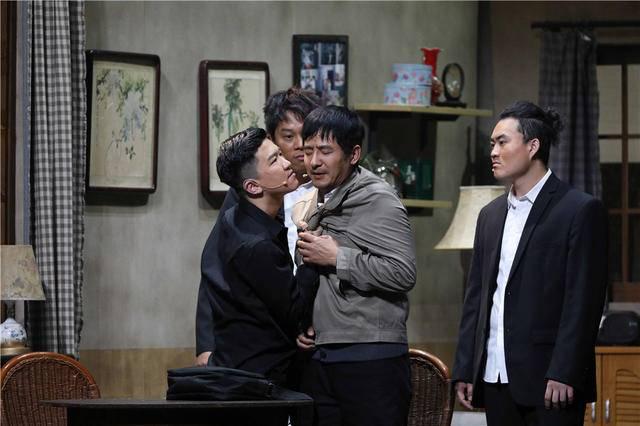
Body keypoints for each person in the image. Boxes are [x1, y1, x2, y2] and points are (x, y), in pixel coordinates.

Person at [452, 101, 608, 426]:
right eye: (492, 144)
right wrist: (466, 368)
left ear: (533, 146)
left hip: (551, 380)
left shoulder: (578, 209)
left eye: (502, 142)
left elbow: (583, 302)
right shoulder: (490, 215)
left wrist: (565, 371)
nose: (493, 152)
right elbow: (476, 298)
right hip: (495, 376)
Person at [295, 106, 417, 426]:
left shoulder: (379, 199)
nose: (314, 161)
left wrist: (338, 258)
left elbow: (403, 272)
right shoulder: (317, 199)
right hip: (323, 354)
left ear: (353, 154)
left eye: (325, 151)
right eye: (308, 151)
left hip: (371, 357)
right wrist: (306, 324)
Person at [195, 87, 320, 366]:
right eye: (288, 137)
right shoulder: (248, 194)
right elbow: (214, 267)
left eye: (307, 134)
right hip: (263, 342)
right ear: (274, 138)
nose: (299, 145)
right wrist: (206, 344)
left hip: (312, 326)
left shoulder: (329, 184)